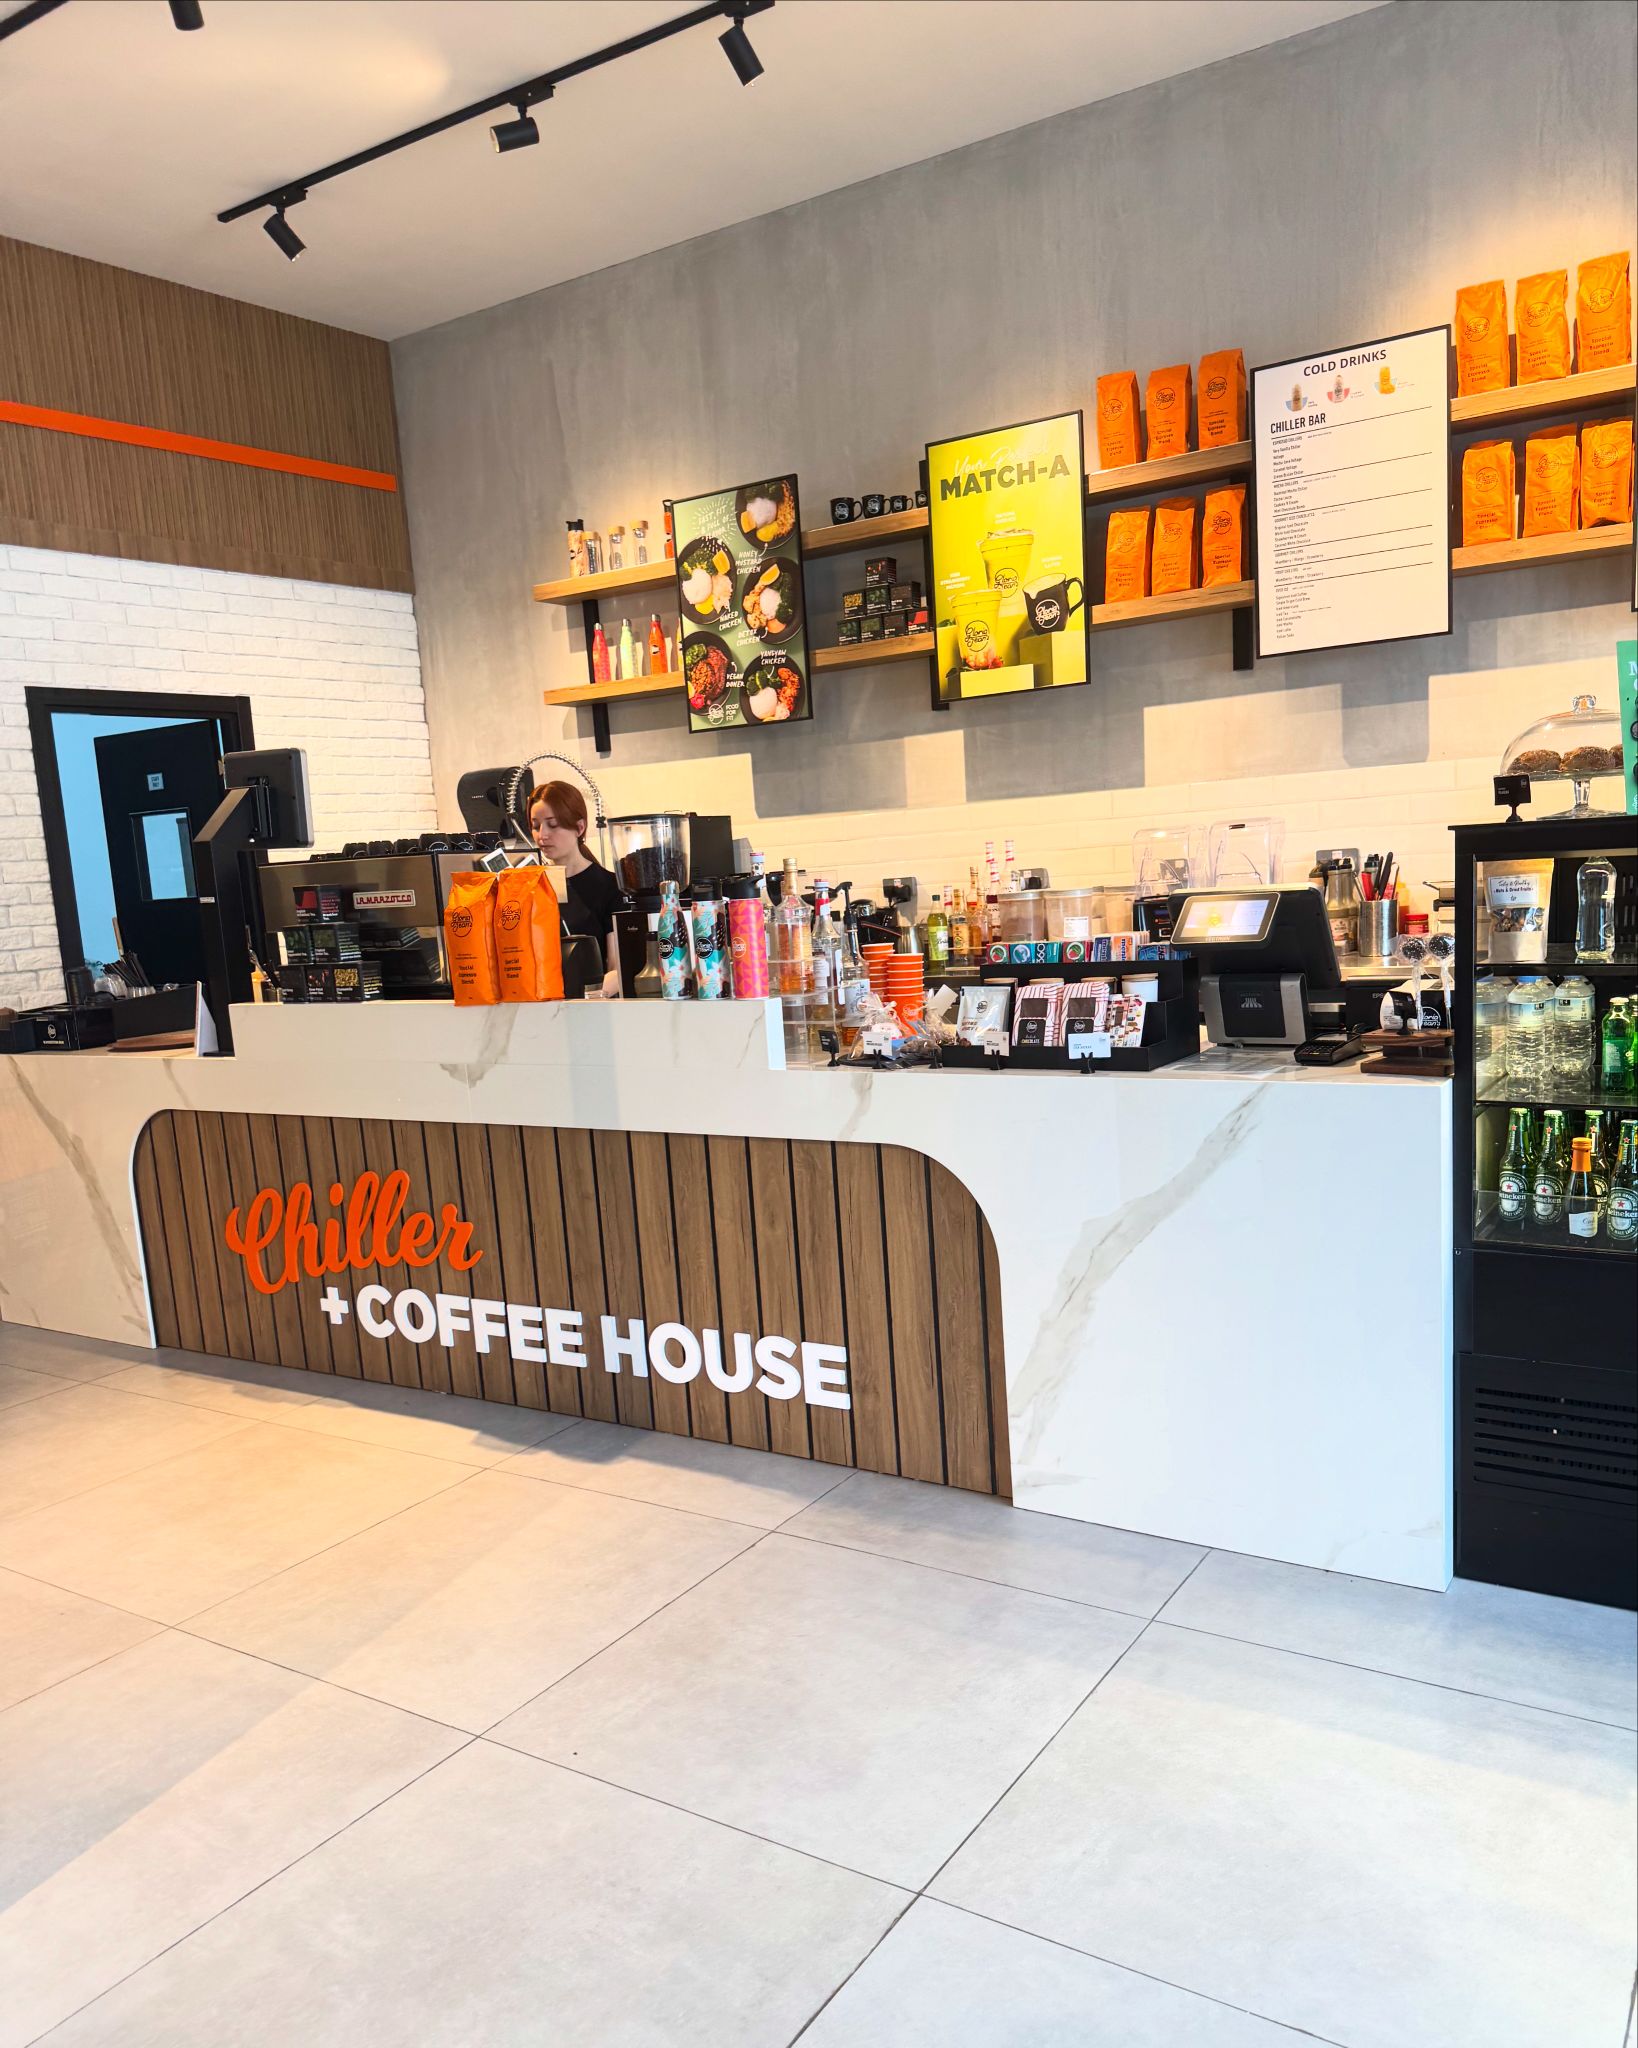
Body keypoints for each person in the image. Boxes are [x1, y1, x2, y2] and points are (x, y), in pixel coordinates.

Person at [527, 779, 621, 984]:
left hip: (589, 999)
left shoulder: (610, 887)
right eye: (535, 826)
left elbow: (617, 969)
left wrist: (595, 994)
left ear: (579, 827)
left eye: (552, 825)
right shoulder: (532, 887)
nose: (542, 835)